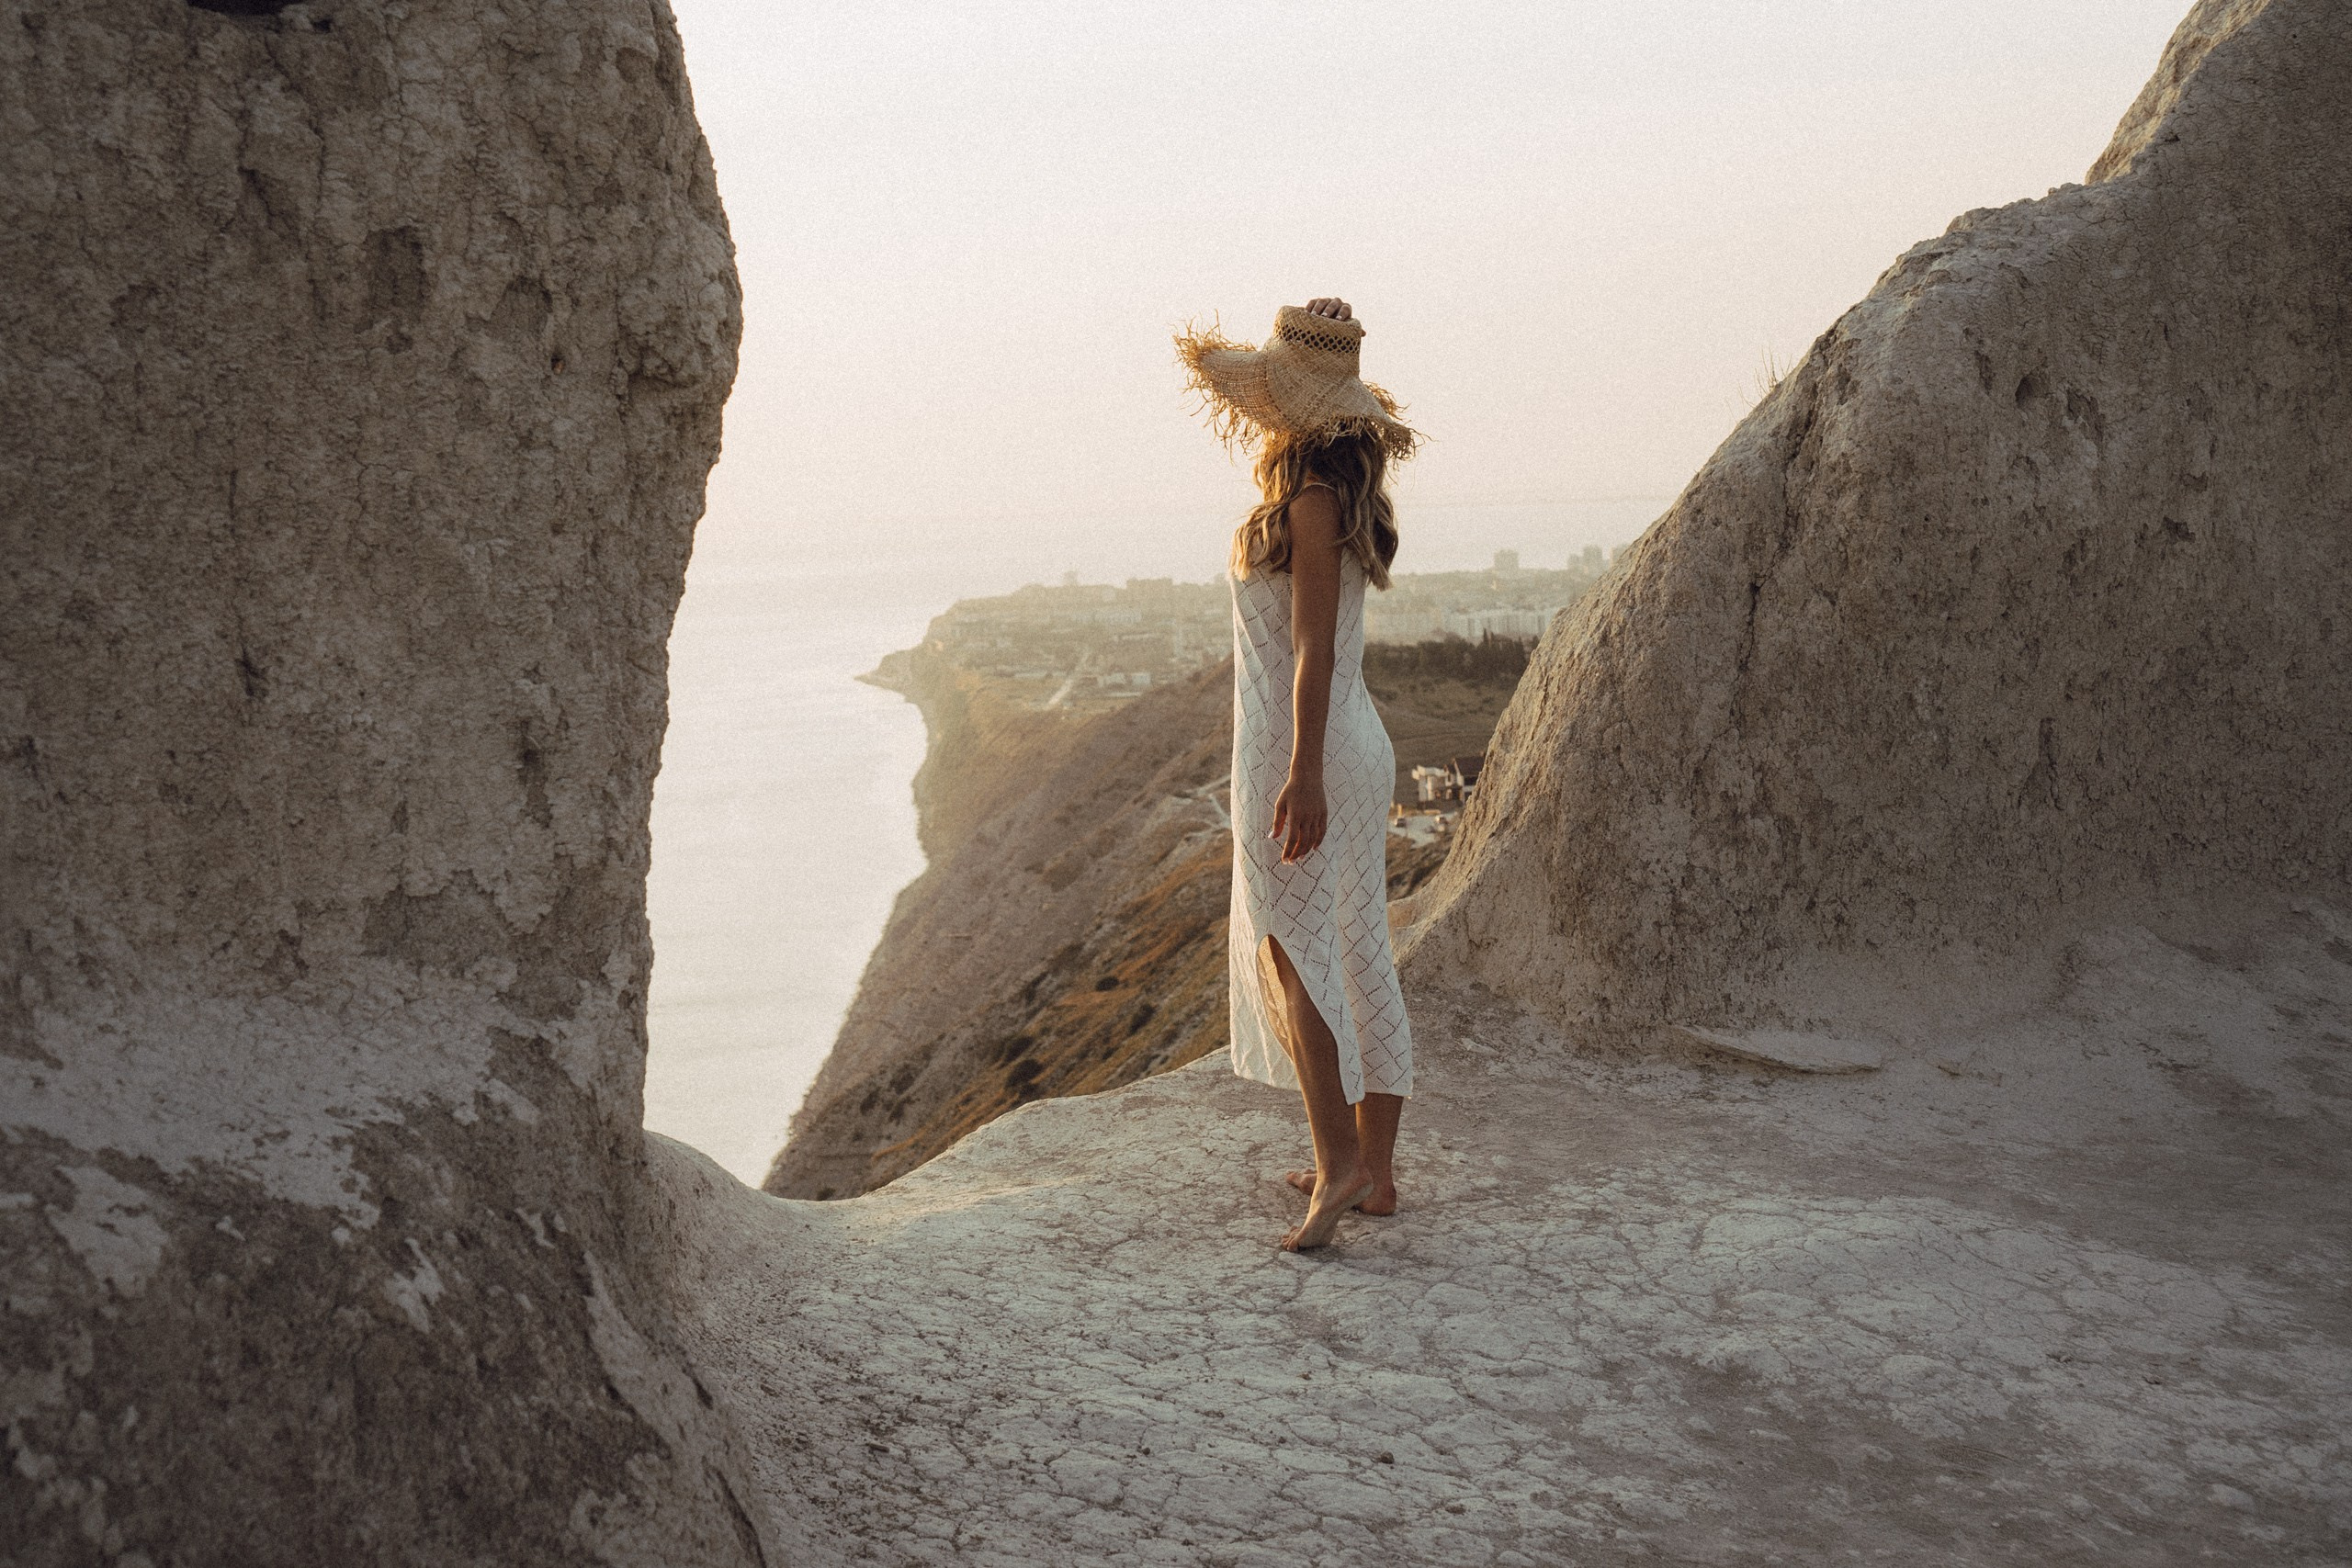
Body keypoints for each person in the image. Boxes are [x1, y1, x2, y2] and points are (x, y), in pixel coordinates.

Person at [1175, 298, 1419, 1251]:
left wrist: (1300, 774)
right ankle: (1378, 1174)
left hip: (1304, 749)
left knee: (1295, 952)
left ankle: (1340, 1167)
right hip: (1341, 743)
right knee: (1353, 944)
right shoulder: (1328, 497)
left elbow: (1312, 650)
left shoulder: (1310, 502)